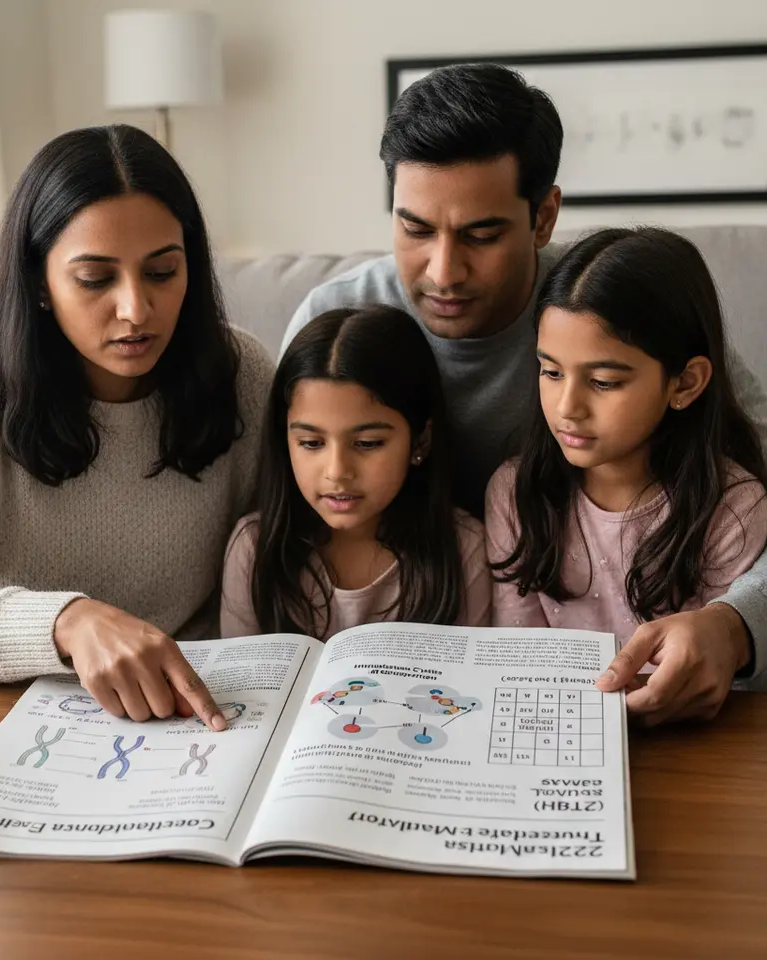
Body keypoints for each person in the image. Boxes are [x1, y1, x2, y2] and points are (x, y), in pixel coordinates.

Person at [280, 63, 767, 722]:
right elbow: (270, 508)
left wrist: (737, 623)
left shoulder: (605, 309)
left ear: (544, 217)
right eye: (415, 229)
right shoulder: (333, 324)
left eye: (481, 235)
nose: (444, 271)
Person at [0, 125, 275, 728]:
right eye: (95, 279)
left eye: (162, 272)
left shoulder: (242, 373)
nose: (136, 309)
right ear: (39, 280)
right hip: (24, 703)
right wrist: (69, 621)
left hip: (204, 700)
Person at [487, 227, 767, 659]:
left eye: (603, 382)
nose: (568, 407)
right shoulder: (515, 493)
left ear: (685, 383)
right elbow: (517, 657)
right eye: (552, 372)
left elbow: (715, 675)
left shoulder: (733, 508)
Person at [220, 305, 490, 641]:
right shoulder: (255, 547)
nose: (337, 471)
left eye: (366, 443)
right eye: (311, 443)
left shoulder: (464, 550)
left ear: (421, 439)